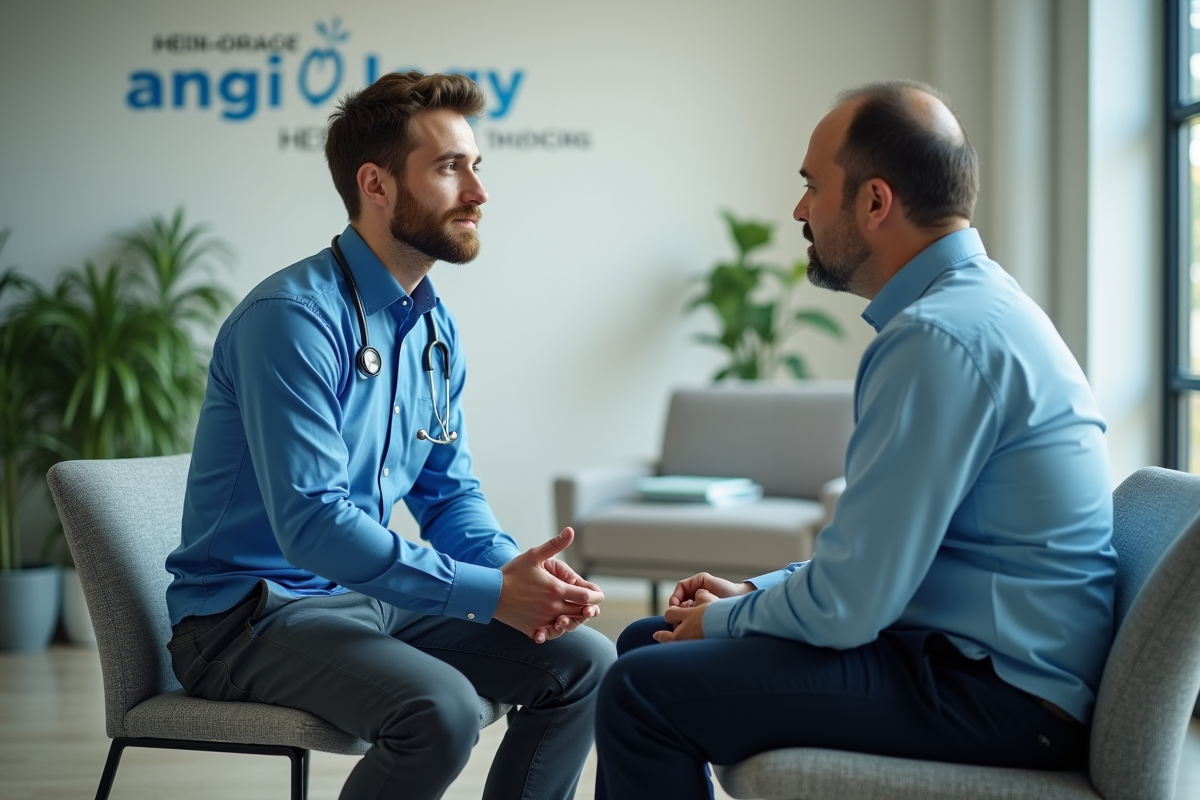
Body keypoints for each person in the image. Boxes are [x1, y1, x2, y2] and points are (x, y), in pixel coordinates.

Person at [594, 80, 1116, 799]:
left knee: (639, 690)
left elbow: (851, 605)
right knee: (644, 644)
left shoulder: (937, 338)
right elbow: (878, 567)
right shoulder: (974, 307)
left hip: (999, 696)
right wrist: (750, 594)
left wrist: (726, 617)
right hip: (967, 656)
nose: (799, 210)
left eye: (813, 186)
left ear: (875, 203)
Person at [164, 72, 616, 800]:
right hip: (247, 617)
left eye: (476, 166)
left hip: (359, 595)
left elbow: (449, 495)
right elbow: (314, 526)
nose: (478, 191)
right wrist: (490, 594)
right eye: (449, 168)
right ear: (375, 184)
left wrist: (520, 579)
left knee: (586, 662)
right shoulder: (292, 320)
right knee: (437, 711)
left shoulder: (431, 327)